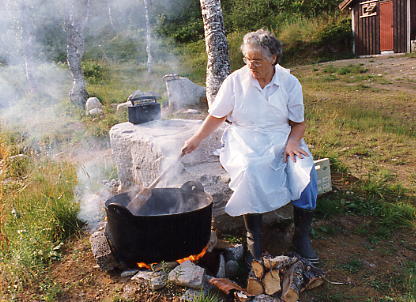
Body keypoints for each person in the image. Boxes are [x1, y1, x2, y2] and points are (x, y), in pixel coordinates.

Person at [181, 29, 319, 265]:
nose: (251, 66)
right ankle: (253, 237)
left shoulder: (289, 82)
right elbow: (217, 116)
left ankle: (301, 236)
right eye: (247, 59)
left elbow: (298, 123)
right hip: (245, 136)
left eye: (257, 60)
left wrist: (293, 142)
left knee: (304, 172)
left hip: (281, 135)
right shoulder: (236, 80)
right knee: (250, 169)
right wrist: (197, 138)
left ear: (273, 58)